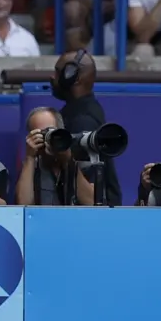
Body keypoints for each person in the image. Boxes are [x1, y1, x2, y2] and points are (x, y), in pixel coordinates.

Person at [50, 50, 123, 205]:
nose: (52, 78)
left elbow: (87, 190)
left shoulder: (83, 121)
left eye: (58, 73)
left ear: (73, 77)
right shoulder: (80, 111)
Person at [15, 107, 95, 206]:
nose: (49, 138)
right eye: (42, 133)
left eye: (52, 132)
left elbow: (92, 204)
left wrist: (69, 162)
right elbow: (23, 206)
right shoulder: (30, 168)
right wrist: (29, 158)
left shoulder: (85, 165)